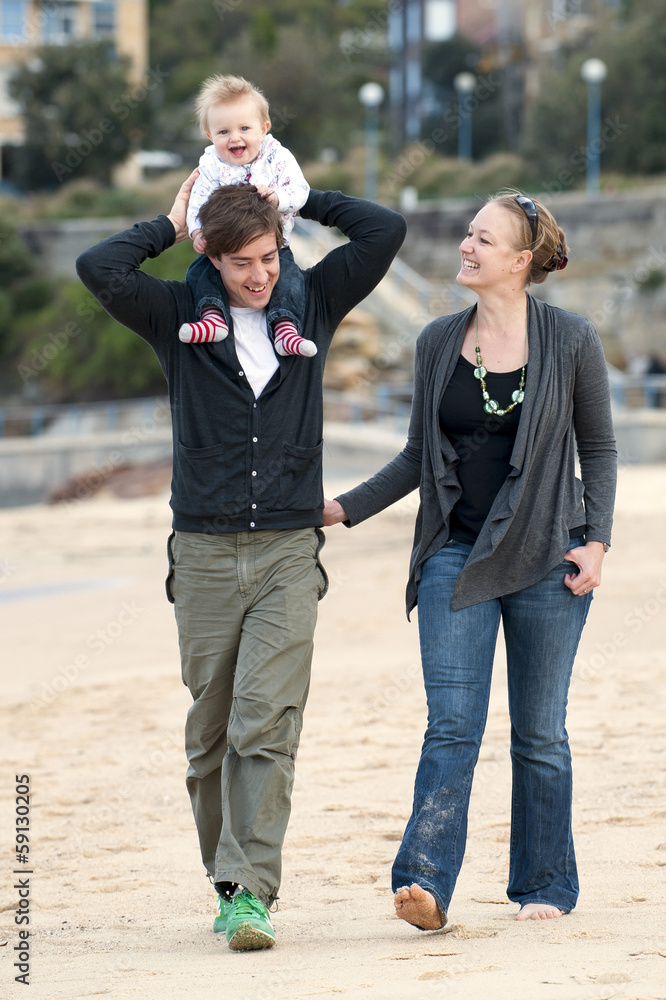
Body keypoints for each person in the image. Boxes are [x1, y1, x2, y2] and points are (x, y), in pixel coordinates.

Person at [76, 172, 406, 949]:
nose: (259, 276)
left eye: (268, 257)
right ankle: (225, 882)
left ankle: (248, 892)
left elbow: (383, 229)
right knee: (211, 737)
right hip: (203, 554)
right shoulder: (175, 316)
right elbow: (99, 268)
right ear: (211, 258)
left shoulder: (312, 303)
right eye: (240, 263)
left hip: (289, 548)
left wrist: (299, 195)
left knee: (265, 725)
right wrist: (169, 222)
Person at [324, 191, 617, 928]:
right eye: (468, 233)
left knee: (540, 733)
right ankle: (424, 883)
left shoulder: (572, 340)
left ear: (520, 260)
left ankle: (544, 885)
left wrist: (597, 540)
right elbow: (415, 457)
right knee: (452, 725)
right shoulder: (436, 342)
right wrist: (342, 508)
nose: (466, 245)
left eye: (483, 238)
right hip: (455, 553)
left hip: (549, 557)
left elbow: (599, 448)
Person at [180, 73, 315, 358]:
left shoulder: (276, 157)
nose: (235, 138)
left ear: (264, 128)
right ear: (210, 136)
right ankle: (212, 317)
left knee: (290, 279)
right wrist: (197, 230)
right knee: (199, 272)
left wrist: (279, 198)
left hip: (276, 244)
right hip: (224, 246)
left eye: (244, 128)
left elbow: (300, 190)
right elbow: (197, 201)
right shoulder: (211, 164)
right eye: (223, 132)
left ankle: (285, 328)